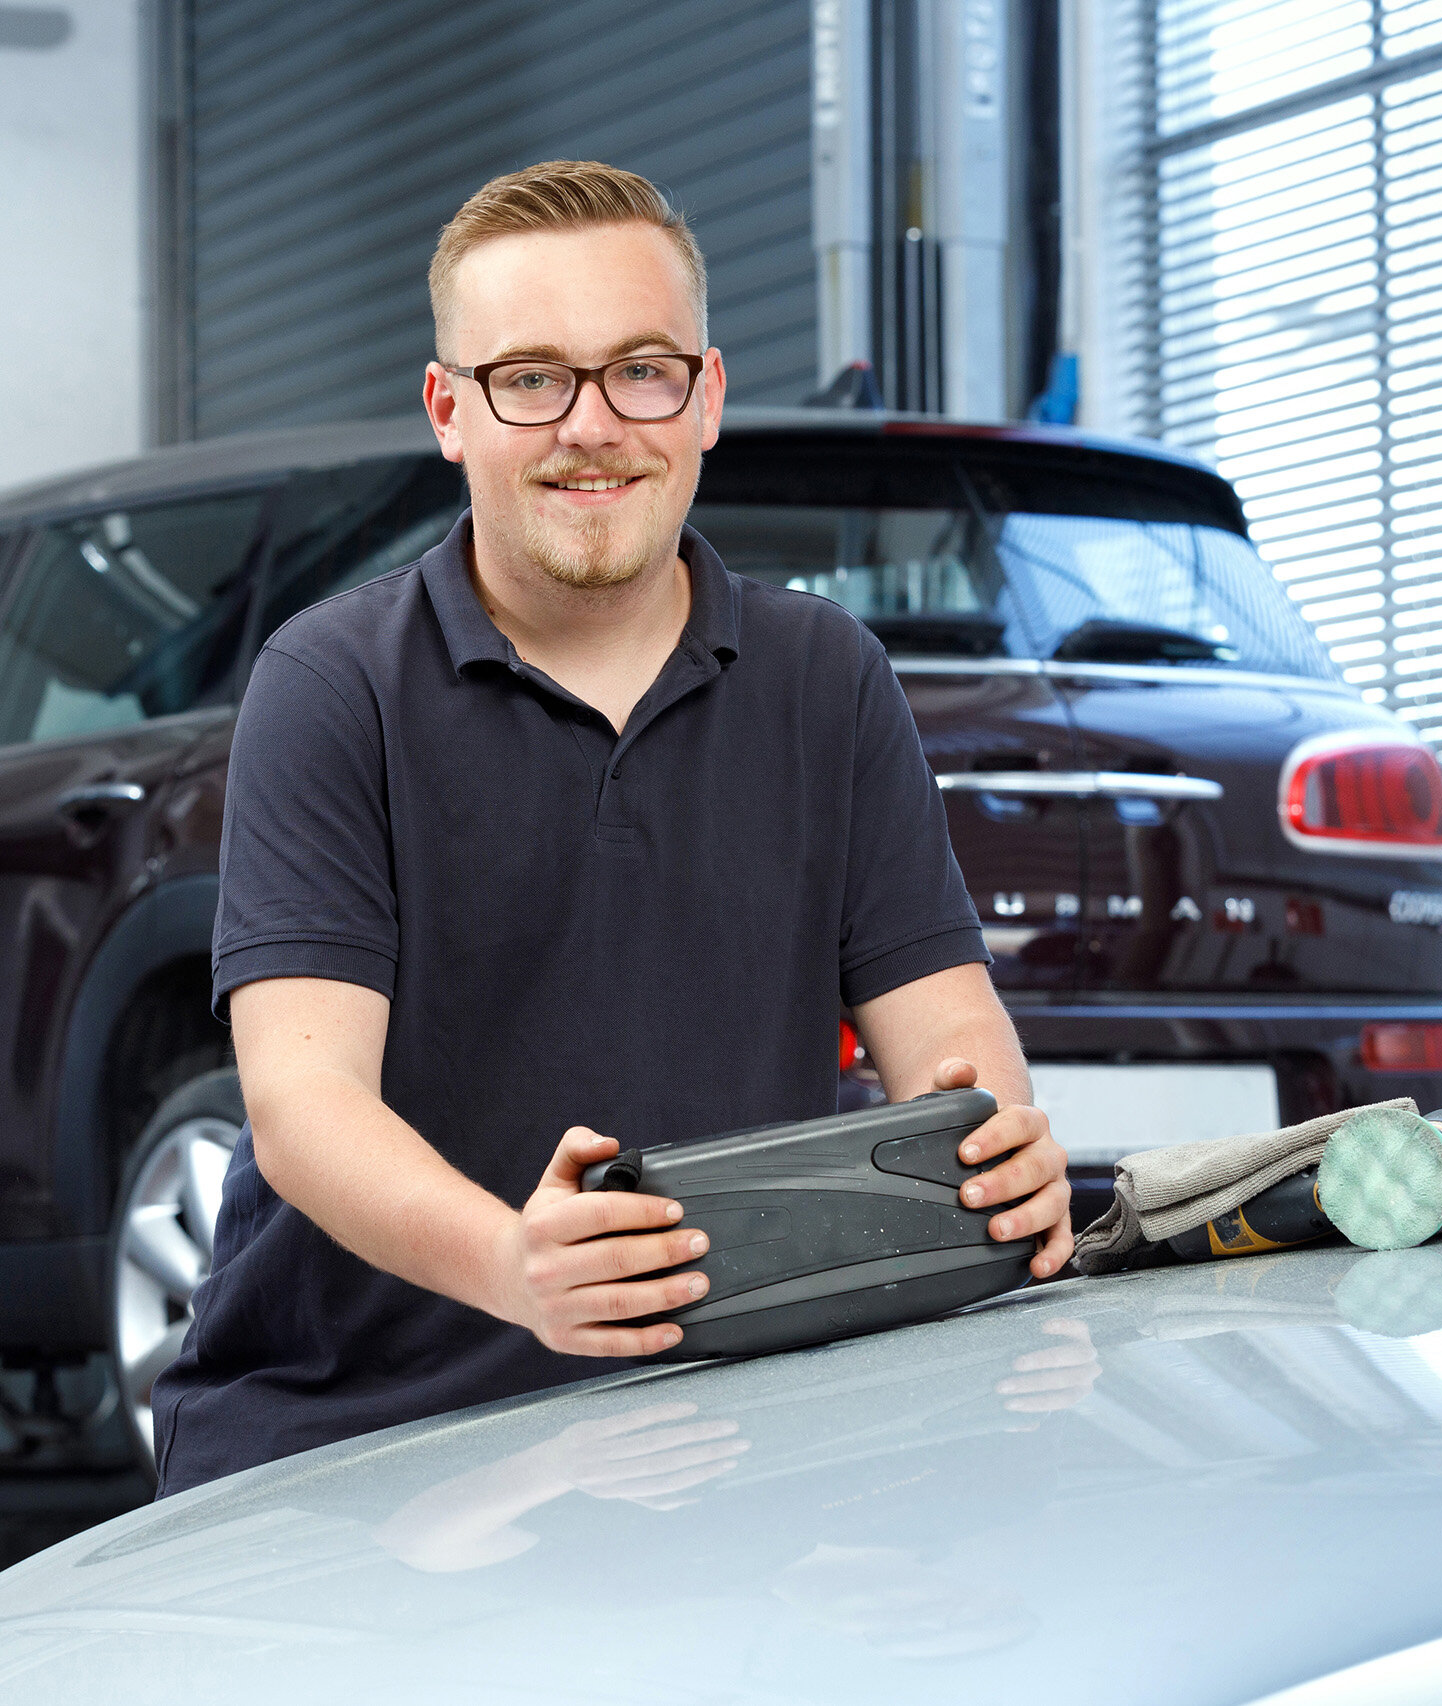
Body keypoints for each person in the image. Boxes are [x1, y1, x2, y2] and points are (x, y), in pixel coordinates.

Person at [151, 160, 1072, 1494]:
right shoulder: (332, 680)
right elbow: (303, 1105)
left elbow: (950, 1042)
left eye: (637, 370)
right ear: (448, 411)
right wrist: (512, 1269)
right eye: (530, 378)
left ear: (703, 398)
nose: (591, 426)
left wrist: (992, 1144)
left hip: (713, 1439)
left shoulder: (826, 677)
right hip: (360, 1449)